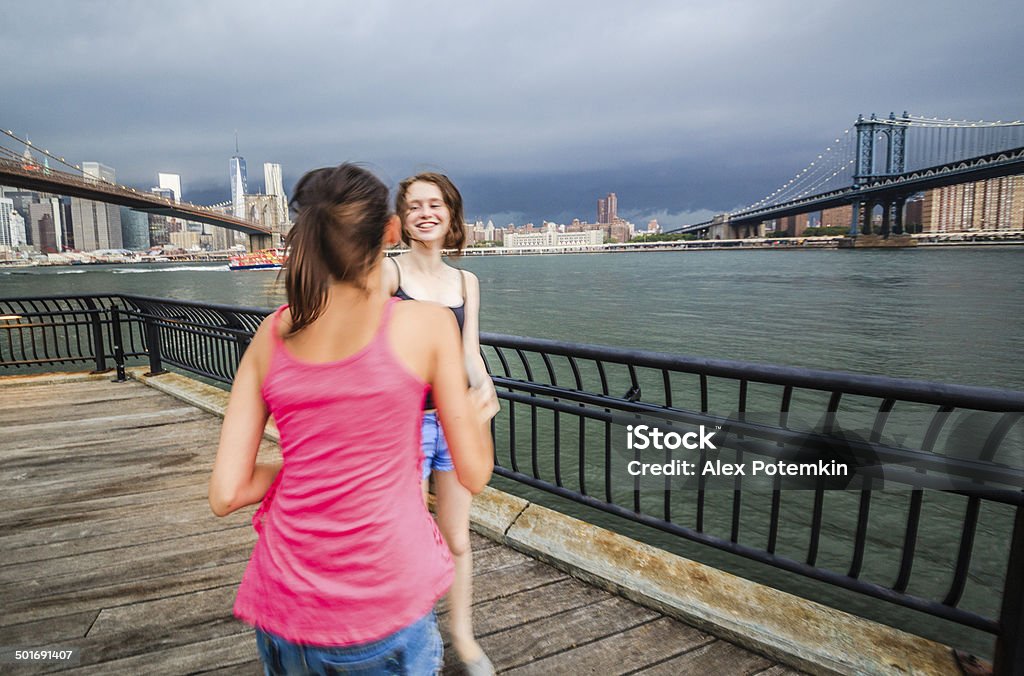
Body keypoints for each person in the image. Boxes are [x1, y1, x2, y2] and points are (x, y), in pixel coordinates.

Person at [208, 163, 494, 675]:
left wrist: (312, 465)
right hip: (383, 607)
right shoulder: (426, 326)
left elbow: (226, 493)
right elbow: (474, 474)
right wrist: (479, 414)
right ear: (390, 229)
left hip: (281, 607)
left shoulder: (269, 334)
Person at [382, 172, 499, 676]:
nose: (425, 213)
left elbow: (468, 353)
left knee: (456, 538)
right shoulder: (389, 276)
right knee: (398, 539)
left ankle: (464, 640)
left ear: (451, 213)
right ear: (402, 219)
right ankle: (409, 633)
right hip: (399, 426)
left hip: (452, 422)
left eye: (435, 204)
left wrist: (486, 385)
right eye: (414, 207)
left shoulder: (465, 282)